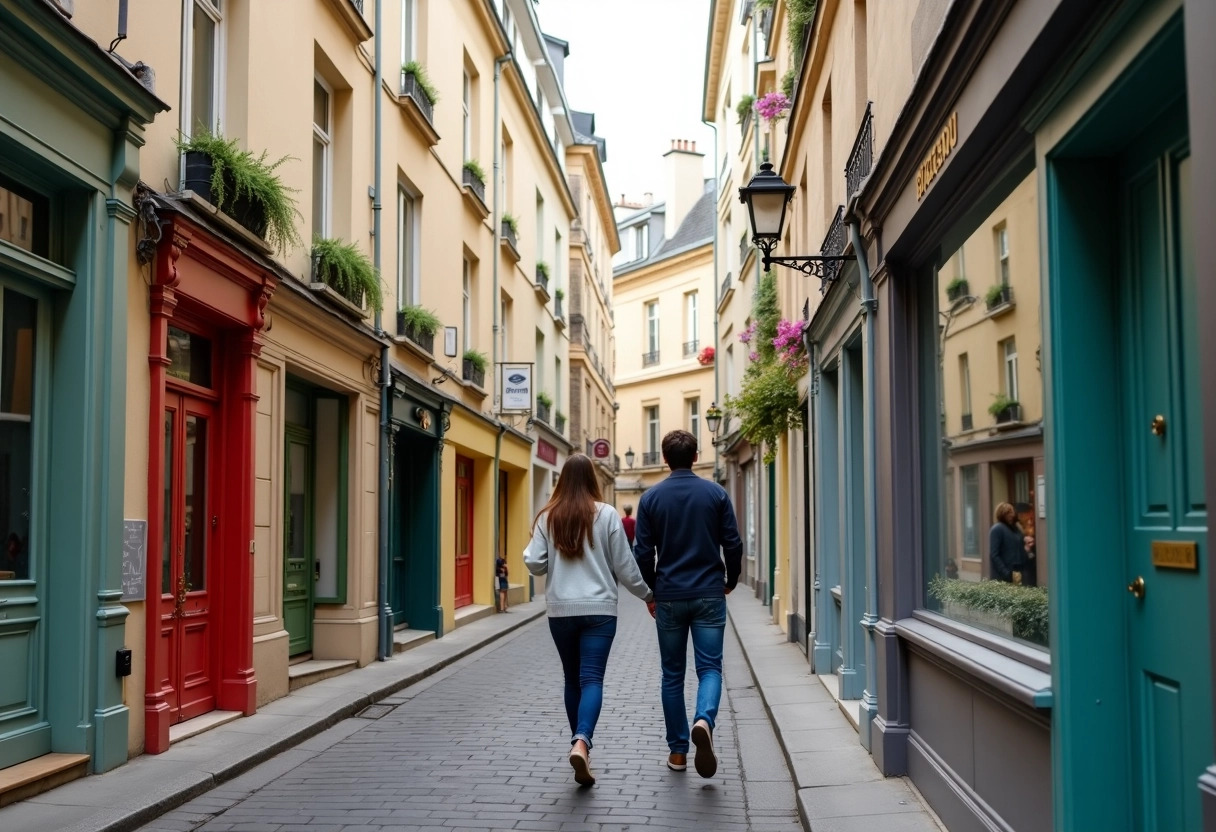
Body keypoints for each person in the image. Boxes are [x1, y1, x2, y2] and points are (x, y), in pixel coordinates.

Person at [524, 454, 653, 787]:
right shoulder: (607, 514)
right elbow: (625, 566)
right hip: (599, 611)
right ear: (593, 480)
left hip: (561, 611)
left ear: (562, 480)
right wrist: (648, 595)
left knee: (572, 679)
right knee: (592, 678)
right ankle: (582, 742)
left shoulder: (547, 516)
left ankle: (579, 746)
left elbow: (534, 564)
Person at [633, 430, 743, 778]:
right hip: (709, 592)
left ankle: (678, 753)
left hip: (669, 596)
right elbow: (734, 543)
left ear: (665, 459)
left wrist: (653, 590)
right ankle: (703, 719)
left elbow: (642, 553)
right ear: (696, 456)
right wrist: (731, 580)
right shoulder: (716, 493)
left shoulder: (650, 499)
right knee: (710, 668)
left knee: (672, 675)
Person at [988, 502, 1027, 583]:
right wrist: (1006, 573)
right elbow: (994, 555)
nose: (1011, 515)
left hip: (1017, 573)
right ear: (1002, 514)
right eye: (1008, 513)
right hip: (1003, 576)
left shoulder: (1016, 529)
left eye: (1012, 512)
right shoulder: (997, 529)